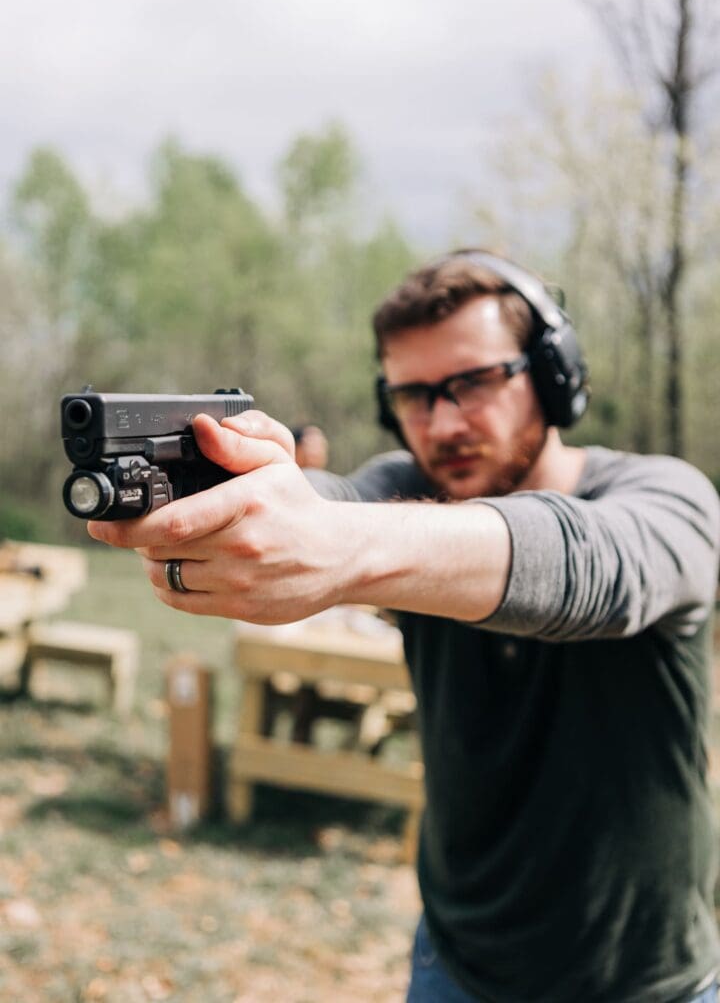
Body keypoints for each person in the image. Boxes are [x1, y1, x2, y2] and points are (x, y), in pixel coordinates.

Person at [87, 249, 720, 1003]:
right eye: (412, 395)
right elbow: (324, 498)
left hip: (647, 982)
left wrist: (342, 545)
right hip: (456, 963)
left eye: (475, 383)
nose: (442, 421)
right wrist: (242, 488)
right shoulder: (402, 487)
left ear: (555, 376)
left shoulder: (665, 496)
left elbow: (592, 568)